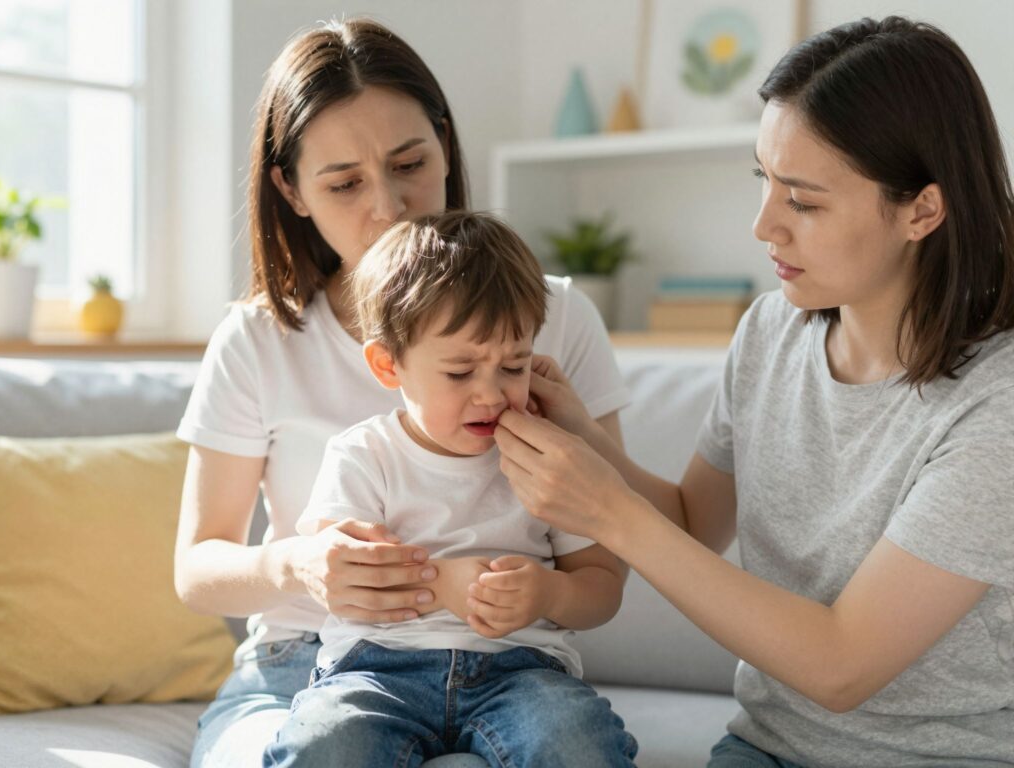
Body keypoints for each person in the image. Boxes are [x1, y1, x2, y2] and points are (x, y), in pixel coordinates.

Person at [493, 16, 1014, 768]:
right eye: (763, 181)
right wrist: (585, 439)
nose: (764, 224)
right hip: (767, 748)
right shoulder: (772, 330)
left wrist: (605, 508)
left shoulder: (994, 406)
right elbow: (693, 522)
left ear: (921, 210)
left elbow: (842, 667)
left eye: (802, 201)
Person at [173, 19, 629, 768]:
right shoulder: (258, 339)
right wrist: (298, 566)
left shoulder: (556, 316)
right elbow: (196, 569)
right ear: (291, 189)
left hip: (507, 663)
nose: (390, 206)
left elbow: (611, 539)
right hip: (301, 662)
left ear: (446, 146)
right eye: (344, 182)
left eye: (410, 162)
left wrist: (537, 594)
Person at [262, 211, 637, 767]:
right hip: (376, 669)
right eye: (460, 373)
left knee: (576, 742)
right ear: (389, 365)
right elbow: (343, 572)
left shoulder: (546, 456)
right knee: (324, 744)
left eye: (513, 366)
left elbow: (603, 585)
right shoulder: (363, 455)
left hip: (522, 672)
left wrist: (550, 595)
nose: (490, 394)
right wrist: (443, 586)